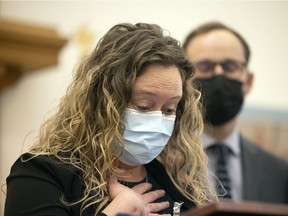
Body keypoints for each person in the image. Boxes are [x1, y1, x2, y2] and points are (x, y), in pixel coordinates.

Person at [4, 23, 216, 216]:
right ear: (104, 104)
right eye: (143, 106)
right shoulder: (43, 173)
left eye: (169, 109)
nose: (158, 120)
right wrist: (116, 213)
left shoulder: (180, 183)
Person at [183, 21, 288, 203]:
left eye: (230, 66)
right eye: (204, 66)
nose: (218, 74)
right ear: (184, 80)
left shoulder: (279, 174)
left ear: (248, 81)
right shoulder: (158, 163)